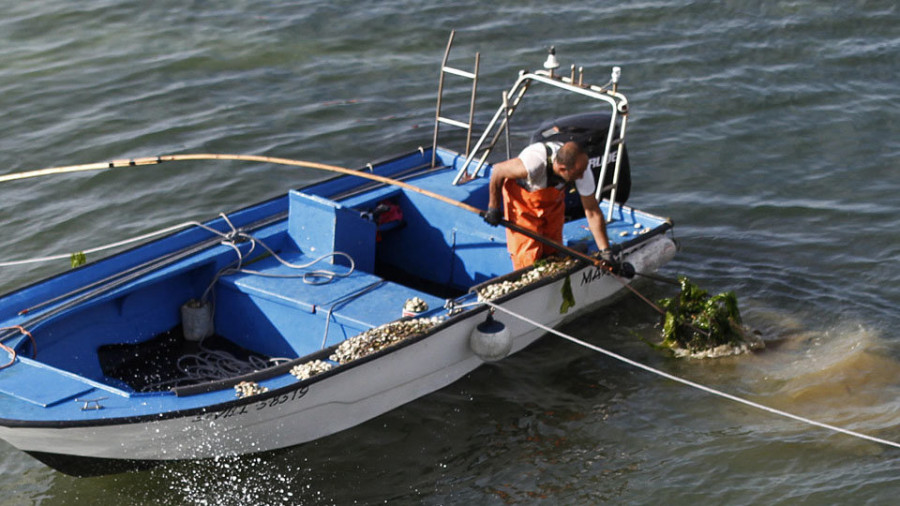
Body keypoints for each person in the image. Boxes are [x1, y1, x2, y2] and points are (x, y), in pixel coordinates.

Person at [483, 140, 612, 270]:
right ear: (562, 169)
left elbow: (592, 212)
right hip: (522, 203)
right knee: (528, 257)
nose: (582, 176)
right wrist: (493, 207)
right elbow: (498, 170)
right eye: (578, 174)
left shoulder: (581, 170)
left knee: (553, 249)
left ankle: (553, 262)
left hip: (551, 203)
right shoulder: (532, 164)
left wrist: (606, 252)